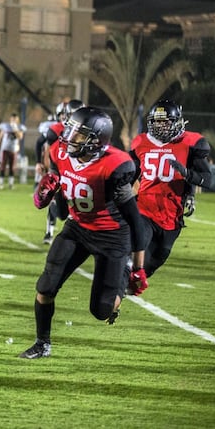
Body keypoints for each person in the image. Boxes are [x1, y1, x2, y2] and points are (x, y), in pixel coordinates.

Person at [21, 107, 146, 359]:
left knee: (102, 310)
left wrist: (138, 268)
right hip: (78, 228)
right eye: (70, 130)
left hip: (111, 236)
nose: (69, 137)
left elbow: (135, 220)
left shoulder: (114, 165)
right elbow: (63, 214)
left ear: (96, 140)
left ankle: (120, 275)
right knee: (45, 287)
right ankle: (42, 343)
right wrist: (46, 195)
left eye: (78, 134)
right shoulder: (60, 153)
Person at [130, 100, 211, 279]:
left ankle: (127, 287)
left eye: (165, 122)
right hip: (145, 208)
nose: (161, 127)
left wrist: (186, 174)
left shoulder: (189, 143)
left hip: (172, 215)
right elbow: (129, 175)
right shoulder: (141, 142)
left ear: (177, 122)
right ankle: (115, 296)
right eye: (157, 122)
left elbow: (208, 180)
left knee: (156, 259)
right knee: (138, 249)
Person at [35, 100, 84, 244]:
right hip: (60, 171)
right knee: (54, 202)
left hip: (78, 173)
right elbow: (43, 146)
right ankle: (49, 231)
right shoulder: (55, 130)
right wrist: (43, 165)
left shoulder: (86, 130)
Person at [0, 113, 25, 190]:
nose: (14, 120)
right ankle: (1, 183)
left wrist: (15, 129)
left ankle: (11, 183)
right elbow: (0, 136)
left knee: (12, 167)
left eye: (15, 119)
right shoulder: (5, 126)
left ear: (18, 120)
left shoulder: (19, 127)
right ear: (10, 119)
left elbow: (20, 137)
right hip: (5, 149)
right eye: (12, 119)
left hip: (14, 150)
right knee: (2, 166)